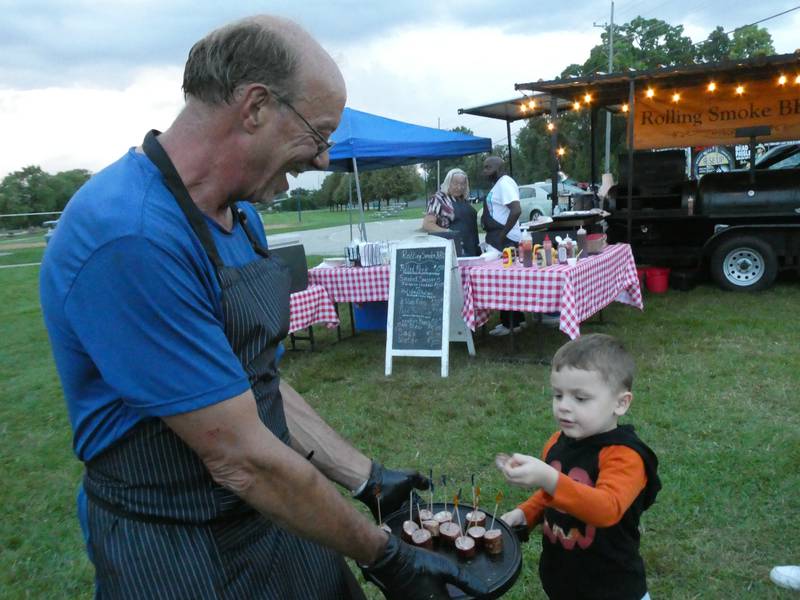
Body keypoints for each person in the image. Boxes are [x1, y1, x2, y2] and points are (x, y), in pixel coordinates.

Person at [39, 16, 486, 600]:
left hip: (276, 510)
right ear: (254, 107)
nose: (324, 159)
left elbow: (253, 383)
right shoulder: (133, 236)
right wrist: (388, 559)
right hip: (180, 546)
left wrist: (367, 478)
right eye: (318, 133)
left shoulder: (242, 217)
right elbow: (240, 458)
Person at [496, 334, 661, 600]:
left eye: (580, 399)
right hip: (564, 581)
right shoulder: (558, 442)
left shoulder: (625, 457)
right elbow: (555, 497)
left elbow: (607, 508)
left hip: (613, 588)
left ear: (621, 403)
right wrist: (524, 514)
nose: (563, 407)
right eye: (558, 395)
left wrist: (548, 477)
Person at [481, 156, 525, 335]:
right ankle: (517, 320)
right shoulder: (499, 184)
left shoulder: (504, 182)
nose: (484, 172)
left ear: (498, 168)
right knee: (507, 280)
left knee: (502, 281)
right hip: (501, 239)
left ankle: (510, 324)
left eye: (488, 167)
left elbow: (516, 210)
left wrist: (501, 234)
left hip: (504, 240)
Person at [422, 167, 480, 256]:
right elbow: (427, 224)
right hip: (453, 250)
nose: (459, 187)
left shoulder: (464, 200)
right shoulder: (438, 199)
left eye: (462, 184)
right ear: (448, 183)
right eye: (455, 184)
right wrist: (449, 233)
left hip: (473, 248)